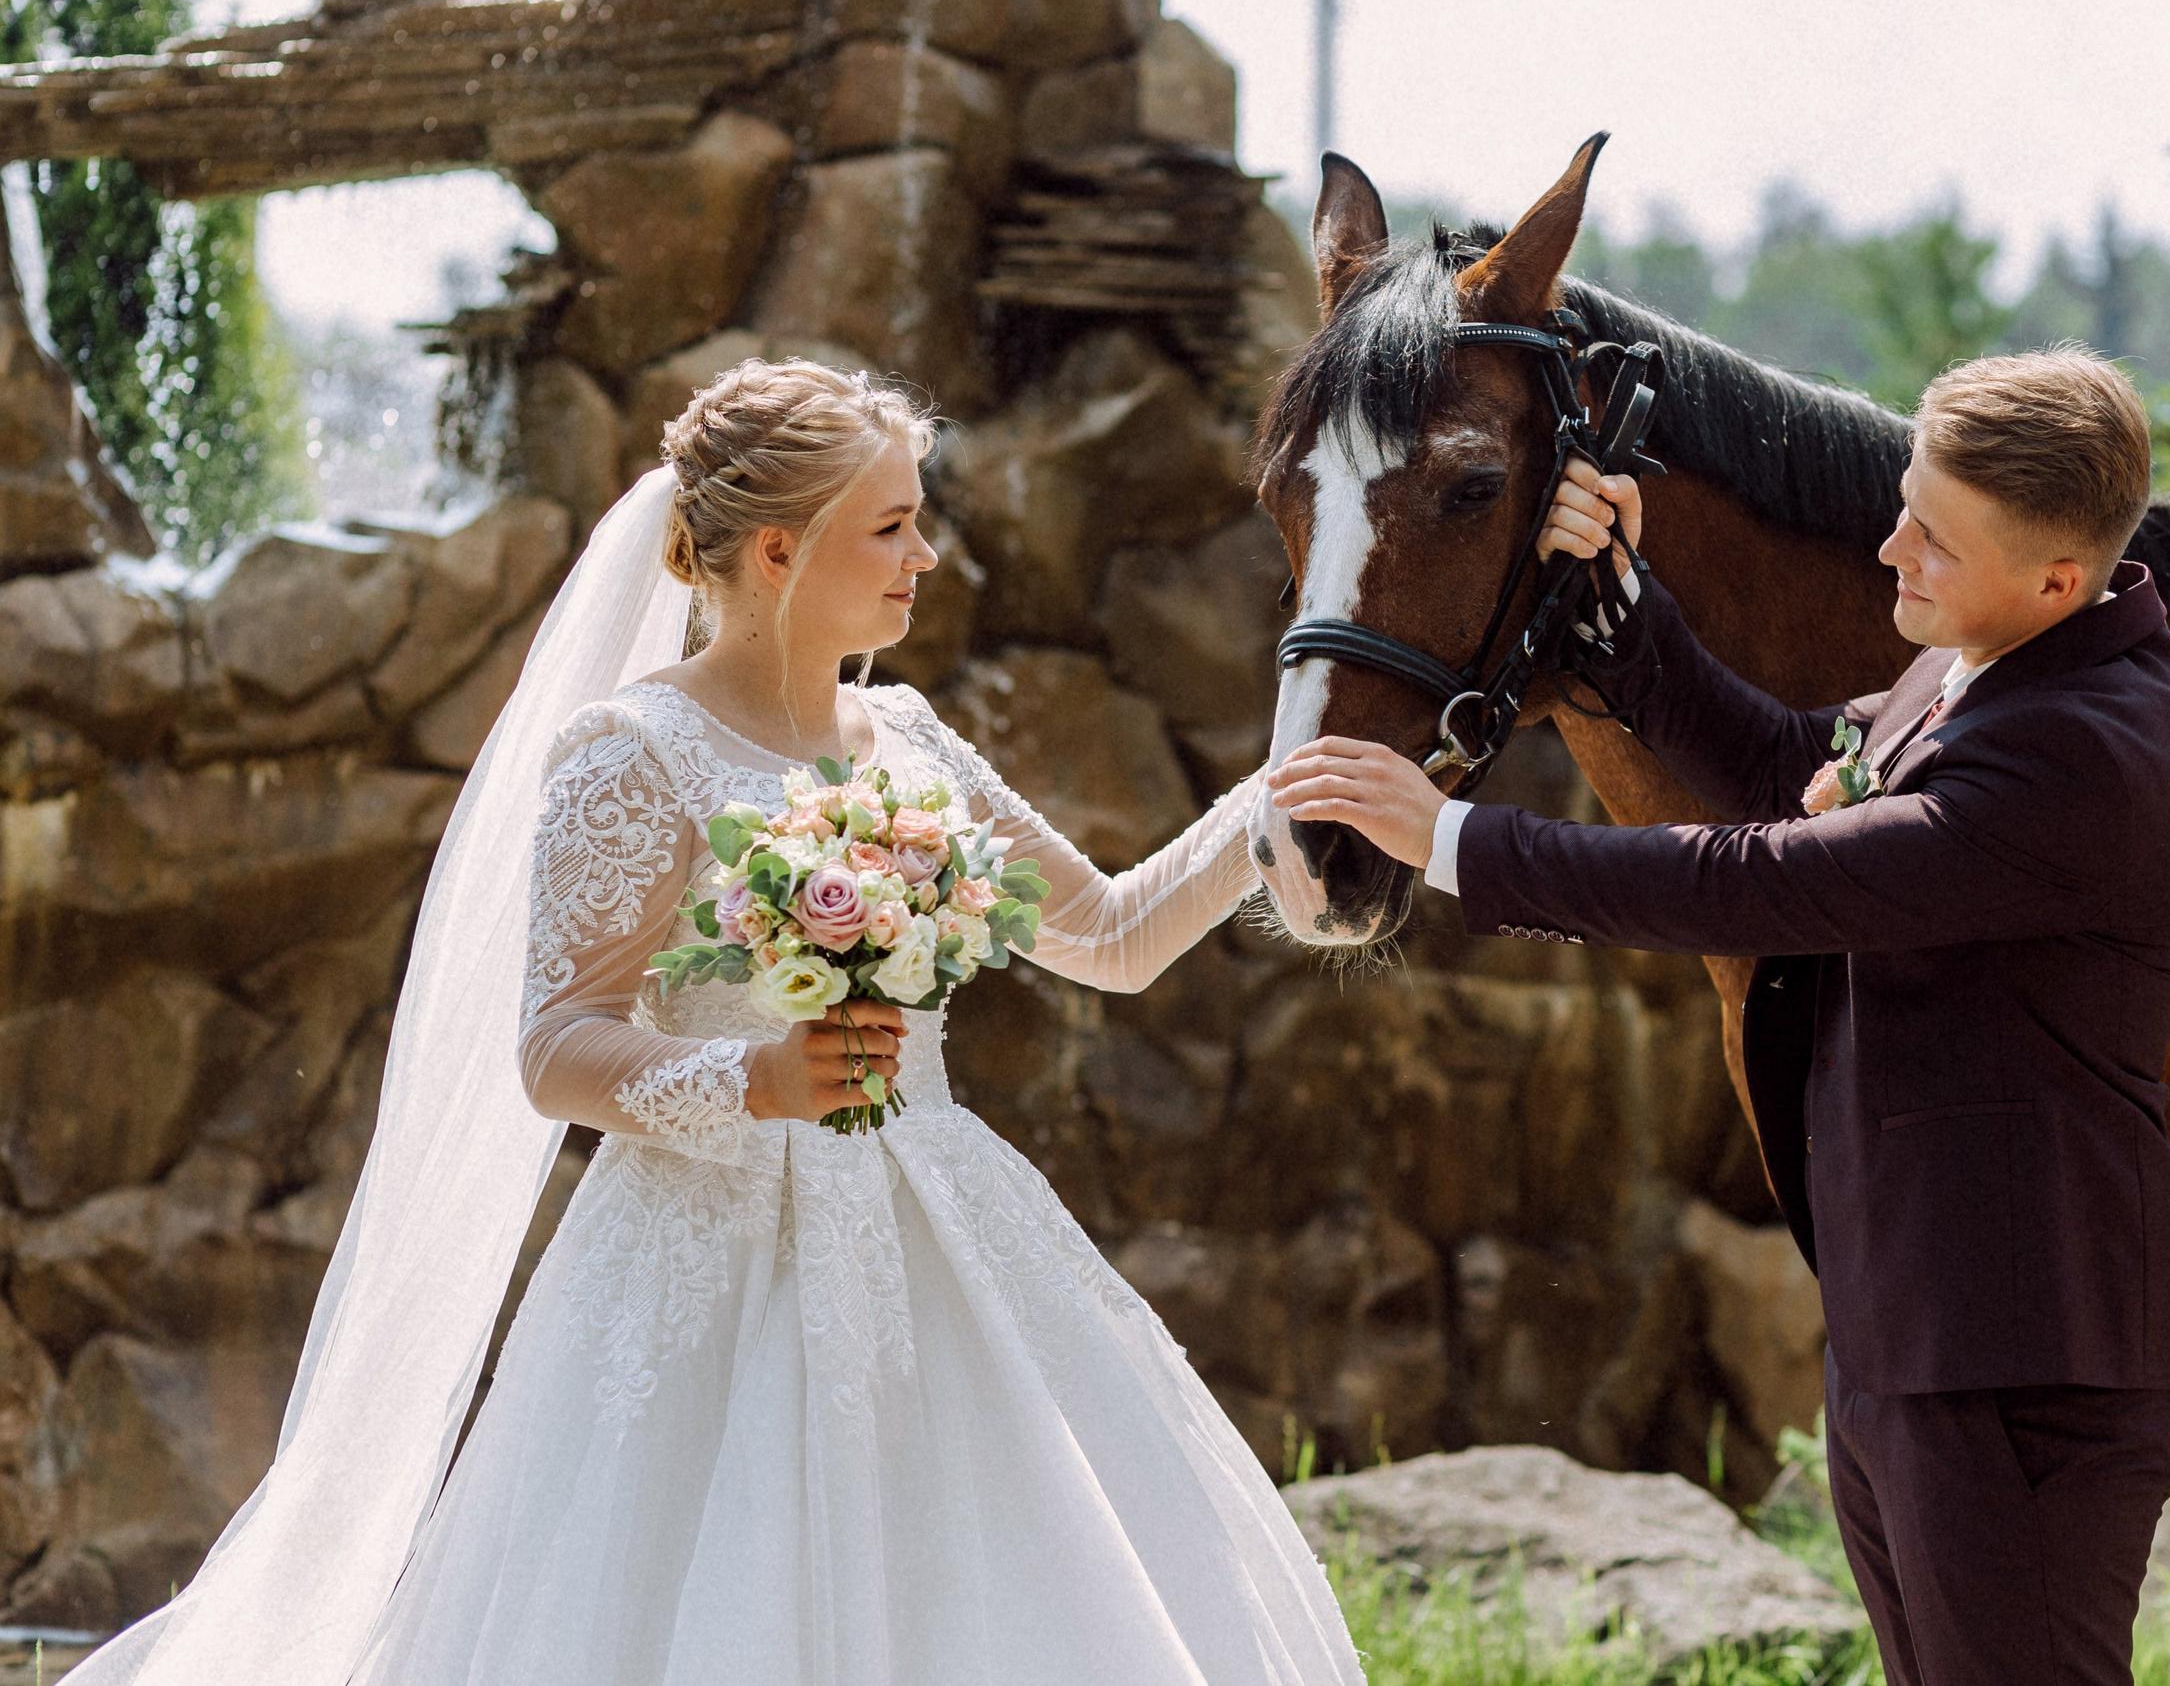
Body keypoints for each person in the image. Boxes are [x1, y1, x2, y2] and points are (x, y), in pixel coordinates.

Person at [69, 361, 1360, 1686]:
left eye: (920, 517)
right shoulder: (635, 749)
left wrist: (1280, 792)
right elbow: (555, 1045)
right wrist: (754, 1076)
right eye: (892, 525)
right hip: (705, 1254)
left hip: (938, 1227)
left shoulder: (909, 735)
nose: (927, 553)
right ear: (780, 550)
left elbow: (1110, 937)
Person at [1272, 347, 2170, 1686]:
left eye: (1935, 540)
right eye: (1906, 502)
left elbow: (1771, 876)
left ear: (2057, 581)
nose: (1890, 546)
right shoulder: (1993, 666)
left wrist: (1455, 842)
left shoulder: (2081, 748)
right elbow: (1789, 768)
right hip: (1923, 1312)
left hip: (2027, 1351)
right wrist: (1622, 602)